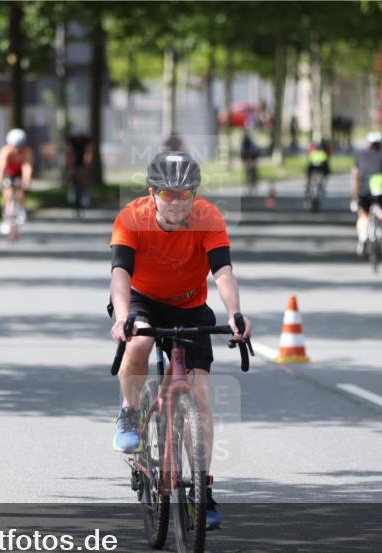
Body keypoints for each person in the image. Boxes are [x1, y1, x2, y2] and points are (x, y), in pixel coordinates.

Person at [109, 150, 253, 530]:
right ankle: (129, 411)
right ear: (152, 192)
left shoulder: (208, 218)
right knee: (138, 343)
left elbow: (222, 272)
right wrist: (123, 317)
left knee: (200, 396)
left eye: (185, 193)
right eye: (168, 194)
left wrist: (235, 313)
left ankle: (201, 490)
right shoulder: (132, 218)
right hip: (142, 299)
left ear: (195, 193)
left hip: (190, 306)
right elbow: (120, 274)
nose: (176, 202)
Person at [350, 130, 382, 255]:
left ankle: (362, 238)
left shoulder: (360, 157)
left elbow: (355, 176)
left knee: (363, 215)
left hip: (364, 190)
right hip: (381, 190)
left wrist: (355, 194)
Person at [0, 128, 33, 241]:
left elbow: (27, 167)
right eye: (14, 147)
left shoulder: (26, 151)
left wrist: (27, 181)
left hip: (19, 173)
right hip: (9, 173)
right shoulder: (5, 151)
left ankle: (21, 210)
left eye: (19, 147)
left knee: (20, 192)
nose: (17, 150)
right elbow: (0, 168)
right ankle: (6, 219)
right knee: (8, 194)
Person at [66, 130, 92, 211]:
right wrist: (70, 167)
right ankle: (72, 193)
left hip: (82, 165)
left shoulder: (86, 142)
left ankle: (85, 194)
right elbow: (69, 153)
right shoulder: (72, 142)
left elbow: (88, 154)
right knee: (71, 178)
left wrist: (87, 166)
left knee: (84, 178)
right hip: (74, 164)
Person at [305, 138, 331, 210]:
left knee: (310, 175)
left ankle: (308, 186)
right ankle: (319, 186)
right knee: (324, 175)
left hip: (315, 167)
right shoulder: (324, 153)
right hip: (320, 167)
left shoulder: (314, 152)